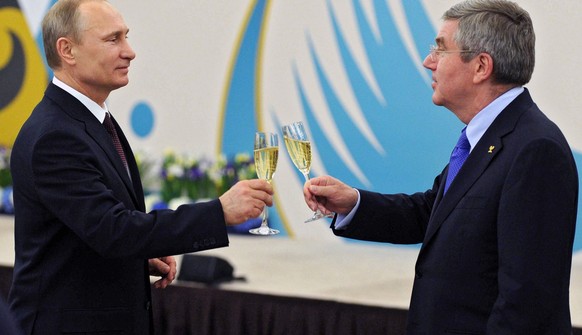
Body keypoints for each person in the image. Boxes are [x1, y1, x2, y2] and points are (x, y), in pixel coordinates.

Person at [304, 0, 578, 334]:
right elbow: (431, 214)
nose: (427, 61)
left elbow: (527, 303)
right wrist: (354, 203)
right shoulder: (486, 136)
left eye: (440, 49)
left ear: (480, 67)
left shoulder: (535, 150)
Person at [8, 1, 273, 334]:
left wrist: (133, 262)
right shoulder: (55, 136)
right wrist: (219, 212)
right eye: (113, 39)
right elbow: (113, 230)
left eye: (126, 37)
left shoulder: (87, 120)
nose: (130, 52)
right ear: (67, 50)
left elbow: (86, 232)